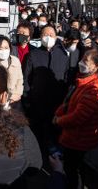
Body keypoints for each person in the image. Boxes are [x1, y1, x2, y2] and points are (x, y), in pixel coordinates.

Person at [53, 45, 98, 189]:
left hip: (79, 139)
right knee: (73, 167)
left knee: (73, 170)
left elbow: (78, 117)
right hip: (74, 137)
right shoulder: (84, 81)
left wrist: (59, 120)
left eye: (86, 60)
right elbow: (69, 103)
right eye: (82, 58)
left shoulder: (94, 88)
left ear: (96, 66)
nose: (81, 62)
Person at [22, 25, 70, 157]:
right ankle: (35, 157)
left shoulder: (63, 56)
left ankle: (52, 159)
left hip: (56, 104)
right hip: (36, 103)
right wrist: (27, 99)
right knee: (36, 132)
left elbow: (66, 79)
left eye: (51, 34)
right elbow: (26, 78)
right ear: (40, 36)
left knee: (54, 132)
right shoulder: (33, 54)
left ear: (56, 37)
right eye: (45, 34)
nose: (48, 37)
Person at [0, 35, 23, 105]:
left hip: (15, 99)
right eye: (0, 48)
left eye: (6, 48)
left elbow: (20, 80)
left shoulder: (15, 60)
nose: (4, 50)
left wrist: (17, 95)